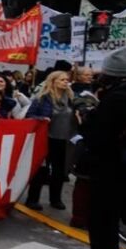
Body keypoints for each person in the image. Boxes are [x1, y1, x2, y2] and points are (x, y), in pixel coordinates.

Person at [68, 48, 126, 249]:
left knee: (100, 227)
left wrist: (85, 119)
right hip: (118, 171)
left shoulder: (117, 100)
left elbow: (99, 138)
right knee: (107, 227)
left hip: (108, 172)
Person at [24, 70, 78, 211]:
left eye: (67, 80)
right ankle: (32, 199)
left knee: (59, 171)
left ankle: (56, 199)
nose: (65, 82)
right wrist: (42, 119)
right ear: (53, 82)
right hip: (46, 137)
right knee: (41, 170)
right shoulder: (43, 98)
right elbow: (30, 115)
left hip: (63, 139)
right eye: (62, 80)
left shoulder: (71, 98)